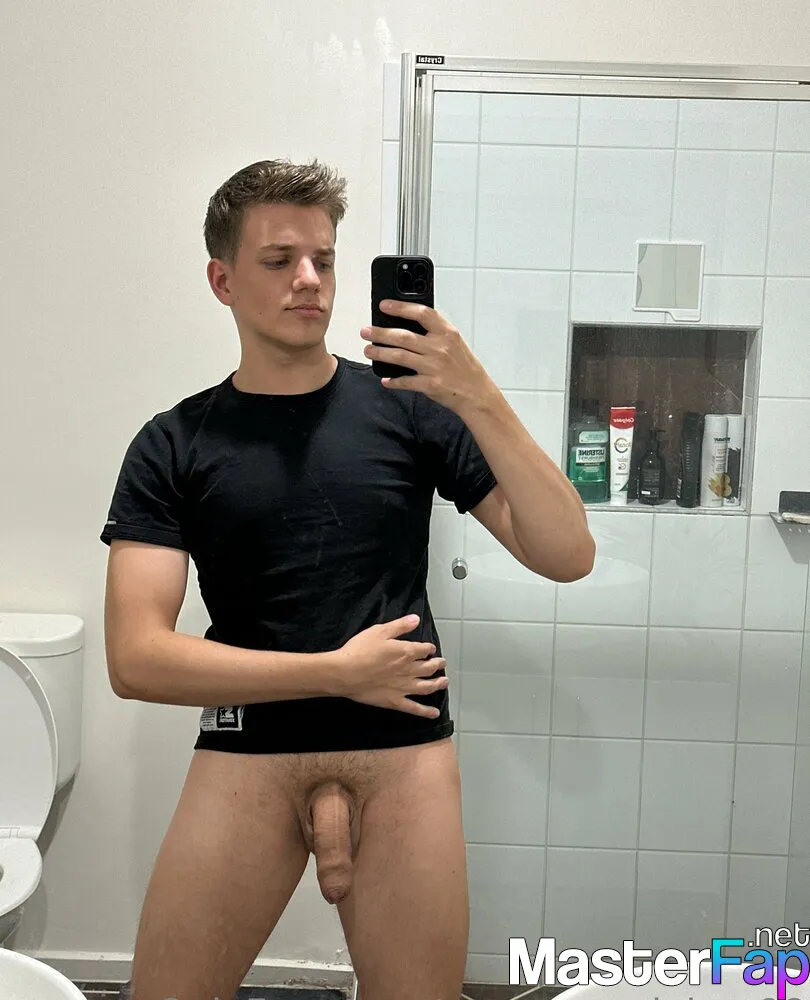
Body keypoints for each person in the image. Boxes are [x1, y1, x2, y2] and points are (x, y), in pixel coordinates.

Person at [100, 158, 595, 1000]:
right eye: (279, 259)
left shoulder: (413, 409)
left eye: (324, 259)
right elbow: (136, 659)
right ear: (223, 281)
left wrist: (477, 395)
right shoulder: (174, 443)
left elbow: (566, 553)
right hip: (249, 748)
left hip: (401, 752)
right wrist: (335, 673)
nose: (309, 279)